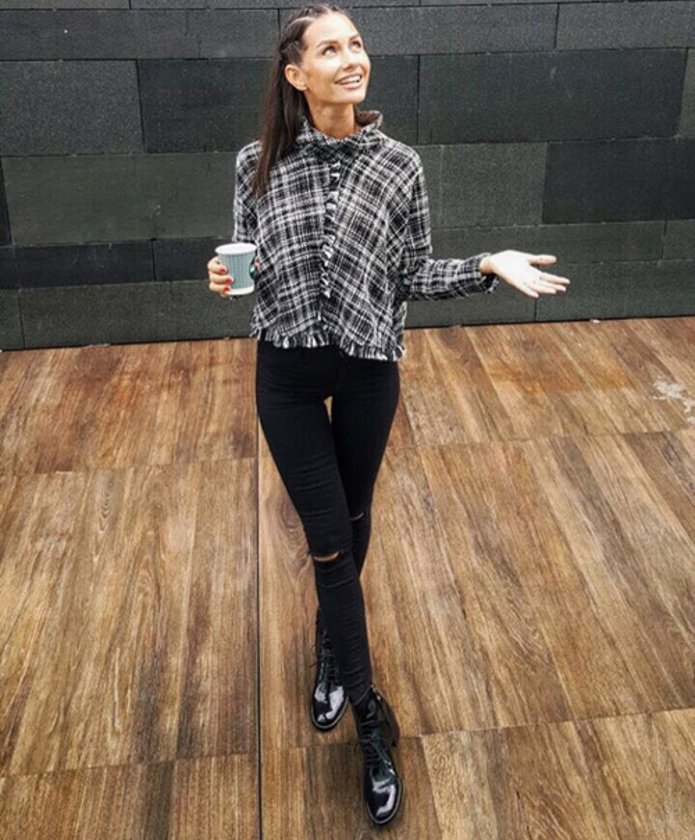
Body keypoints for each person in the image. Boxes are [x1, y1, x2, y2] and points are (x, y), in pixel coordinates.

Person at [206, 3, 570, 827]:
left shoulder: (398, 165)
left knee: (354, 515)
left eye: (356, 44)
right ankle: (371, 717)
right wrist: (226, 279)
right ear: (296, 74)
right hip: (287, 372)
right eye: (329, 49)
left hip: (369, 366)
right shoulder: (255, 163)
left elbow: (411, 273)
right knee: (329, 539)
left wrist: (485, 264)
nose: (351, 58)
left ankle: (332, 648)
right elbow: (248, 263)